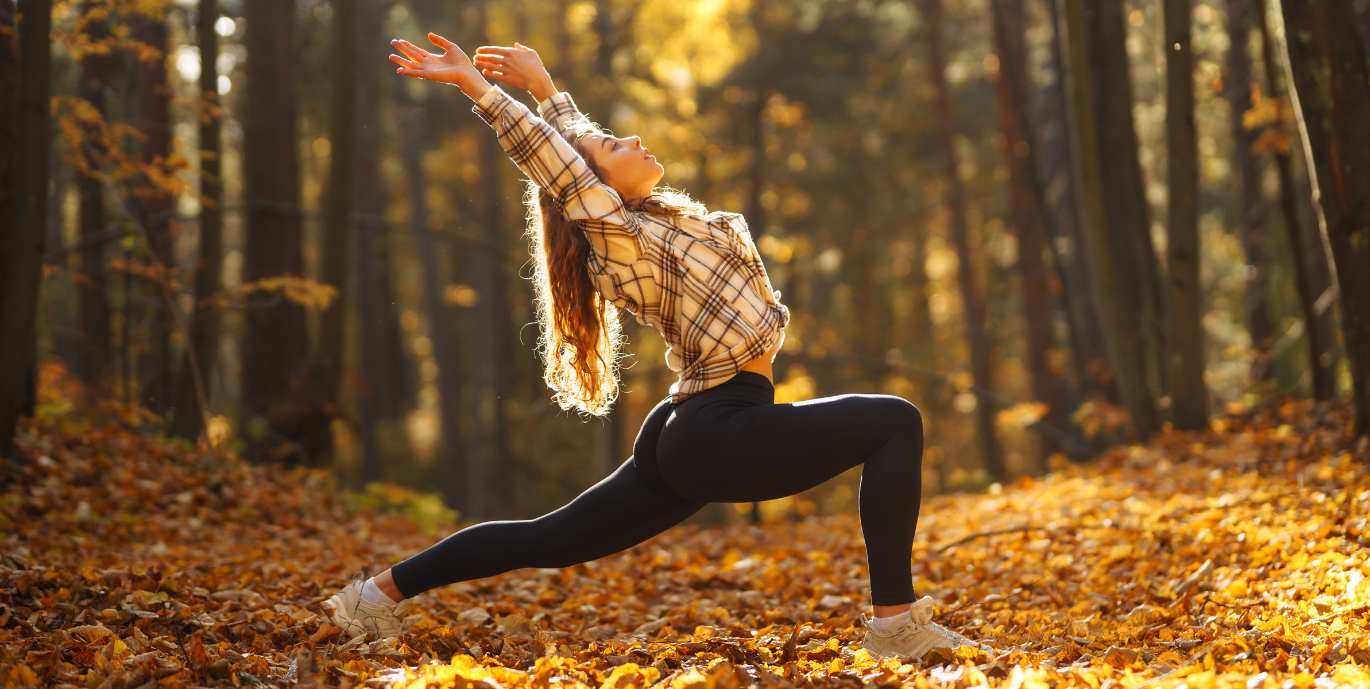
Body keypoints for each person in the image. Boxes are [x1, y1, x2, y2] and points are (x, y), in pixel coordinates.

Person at [322, 32, 991, 662]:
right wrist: (479, 89)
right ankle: (896, 624)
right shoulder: (618, 235)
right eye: (617, 145)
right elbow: (561, 167)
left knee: (550, 537)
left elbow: (576, 144)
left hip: (692, 424)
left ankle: (371, 595)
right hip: (717, 428)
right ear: (597, 190)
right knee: (894, 421)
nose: (632, 138)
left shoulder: (651, 218)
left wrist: (546, 86)